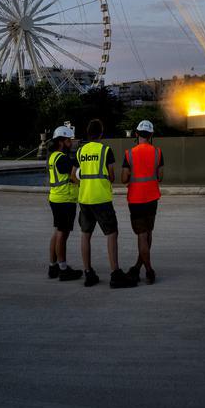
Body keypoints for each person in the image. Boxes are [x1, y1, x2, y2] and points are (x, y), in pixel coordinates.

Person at [73, 118, 136, 289]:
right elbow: (111, 175)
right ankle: (115, 274)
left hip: (85, 199)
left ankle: (88, 273)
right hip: (101, 199)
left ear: (88, 133)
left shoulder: (80, 151)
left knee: (86, 235)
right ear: (101, 133)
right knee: (112, 234)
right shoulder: (105, 150)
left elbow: (73, 176)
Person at [121, 119, 164, 285]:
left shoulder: (129, 154)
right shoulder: (158, 152)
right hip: (152, 197)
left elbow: (124, 179)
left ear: (137, 134)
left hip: (136, 199)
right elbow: (160, 177)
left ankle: (149, 270)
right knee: (148, 232)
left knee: (141, 235)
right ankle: (139, 267)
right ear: (151, 135)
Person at [47, 125, 82, 281]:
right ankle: (63, 269)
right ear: (62, 141)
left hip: (56, 198)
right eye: (69, 140)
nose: (71, 143)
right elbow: (74, 177)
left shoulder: (53, 156)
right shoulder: (62, 158)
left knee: (57, 232)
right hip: (65, 199)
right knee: (63, 233)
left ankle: (52, 266)